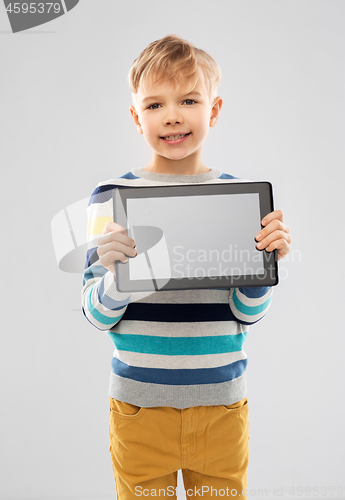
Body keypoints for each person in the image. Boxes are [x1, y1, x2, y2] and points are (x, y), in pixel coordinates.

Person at [81, 34, 291, 499]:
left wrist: (266, 266)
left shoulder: (240, 197)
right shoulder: (110, 196)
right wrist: (117, 278)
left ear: (213, 110)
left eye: (189, 100)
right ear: (136, 118)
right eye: (154, 104)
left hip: (221, 407)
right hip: (138, 408)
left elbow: (248, 314)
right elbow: (96, 315)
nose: (172, 114)